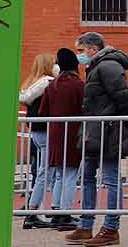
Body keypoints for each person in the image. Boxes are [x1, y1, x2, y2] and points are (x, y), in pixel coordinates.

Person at [68, 32, 128, 247]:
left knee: (110, 178)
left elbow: (123, 96)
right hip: (95, 131)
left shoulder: (108, 66)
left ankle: (110, 227)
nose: (79, 55)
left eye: (81, 50)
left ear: (93, 49)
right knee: (87, 176)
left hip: (108, 131)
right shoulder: (97, 67)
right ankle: (86, 225)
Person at [42, 48, 86, 231]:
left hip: (54, 132)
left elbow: (42, 111)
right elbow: (85, 108)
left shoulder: (52, 86)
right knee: (71, 174)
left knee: (60, 174)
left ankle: (56, 209)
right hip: (72, 133)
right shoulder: (78, 85)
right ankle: (65, 213)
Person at [18, 52, 57, 229]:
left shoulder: (32, 81)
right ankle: (32, 210)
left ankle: (33, 209)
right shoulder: (46, 82)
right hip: (44, 129)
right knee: (45, 171)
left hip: (37, 129)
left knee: (43, 170)